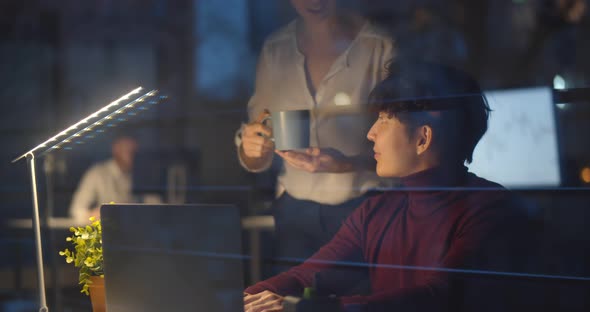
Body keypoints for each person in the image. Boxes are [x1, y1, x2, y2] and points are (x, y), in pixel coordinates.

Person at [243, 63, 532, 312]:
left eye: (384, 119)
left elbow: (438, 297)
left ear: (423, 139)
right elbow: (308, 276)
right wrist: (244, 300)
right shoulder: (378, 211)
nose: (371, 133)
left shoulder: (489, 209)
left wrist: (306, 309)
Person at [236, 0, 396, 269]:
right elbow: (256, 143)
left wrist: (347, 164)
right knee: (292, 303)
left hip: (365, 208)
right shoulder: (276, 49)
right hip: (295, 214)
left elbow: (407, 149)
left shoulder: (378, 46)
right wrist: (252, 148)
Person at [69, 134, 139, 222]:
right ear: (116, 149)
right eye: (128, 151)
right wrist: (95, 215)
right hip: (106, 233)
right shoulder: (97, 173)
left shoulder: (143, 174)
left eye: (135, 152)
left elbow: (156, 208)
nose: (133, 156)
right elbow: (76, 210)